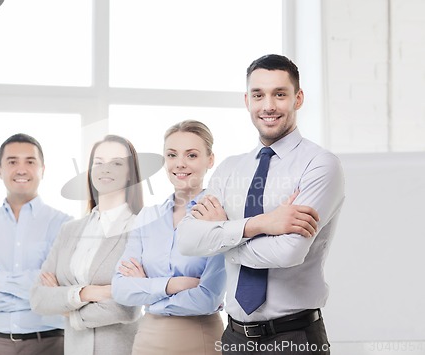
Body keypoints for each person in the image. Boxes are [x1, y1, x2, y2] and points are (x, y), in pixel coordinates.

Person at [177, 55, 345, 354]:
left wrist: (222, 236)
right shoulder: (229, 169)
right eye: (259, 95)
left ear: (298, 98)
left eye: (279, 94)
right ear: (247, 101)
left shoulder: (320, 165)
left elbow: (287, 251)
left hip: (294, 337)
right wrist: (261, 225)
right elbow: (188, 240)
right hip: (233, 336)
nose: (268, 105)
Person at [112, 120, 226, 355]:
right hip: (147, 339)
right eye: (172, 155)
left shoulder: (219, 216)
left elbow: (208, 298)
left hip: (200, 339)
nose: (180, 164)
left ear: (210, 160)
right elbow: (121, 288)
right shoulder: (148, 217)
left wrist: (147, 294)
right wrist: (173, 284)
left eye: (192, 155)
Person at [0, 133, 72, 355]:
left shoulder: (65, 226)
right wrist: (38, 299)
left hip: (49, 345)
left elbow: (64, 288)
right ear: (0, 170)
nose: (21, 169)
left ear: (42, 170)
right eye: (12, 162)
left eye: (30, 161)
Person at [30, 135, 144, 355]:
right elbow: (38, 297)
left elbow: (127, 308)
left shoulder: (140, 230)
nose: (105, 169)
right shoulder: (69, 230)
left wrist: (65, 306)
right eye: (98, 162)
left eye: (117, 163)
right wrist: (86, 293)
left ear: (131, 173)